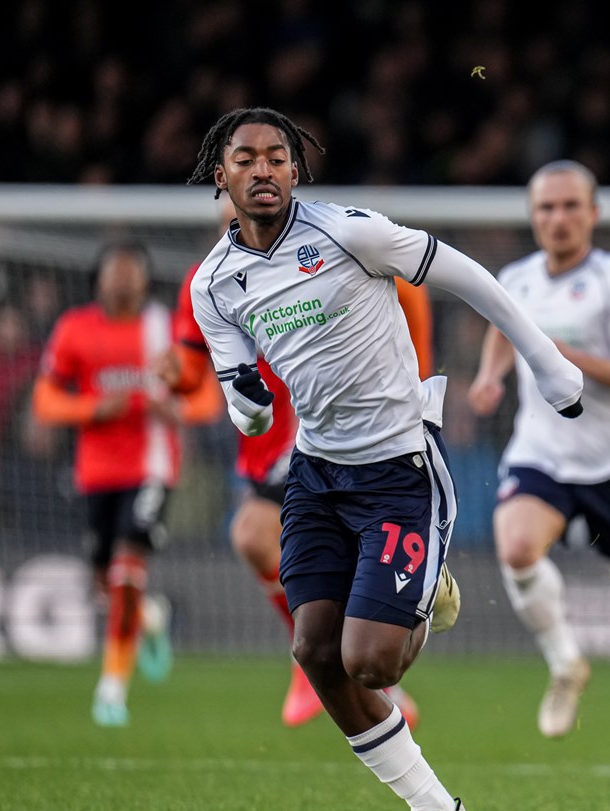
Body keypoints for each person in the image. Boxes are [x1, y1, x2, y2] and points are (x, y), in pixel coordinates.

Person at [185, 107, 584, 811]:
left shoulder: (350, 232)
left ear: (296, 170)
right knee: (314, 651)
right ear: (222, 175)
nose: (263, 169)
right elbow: (244, 402)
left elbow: (468, 277)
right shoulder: (213, 284)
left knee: (370, 662)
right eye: (246, 159)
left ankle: (426, 589)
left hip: (401, 467)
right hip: (314, 473)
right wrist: (247, 404)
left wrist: (547, 362)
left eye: (277, 157)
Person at [466, 160, 610, 776]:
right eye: (546, 208)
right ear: (532, 216)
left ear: (593, 214)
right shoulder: (517, 280)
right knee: (517, 548)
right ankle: (566, 662)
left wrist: (565, 358)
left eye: (571, 206)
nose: (559, 218)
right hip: (541, 458)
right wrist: (491, 376)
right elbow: (504, 328)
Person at [161, 196, 435, 729]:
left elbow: (411, 291)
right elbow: (192, 370)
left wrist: (417, 381)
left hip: (320, 429)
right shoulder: (206, 282)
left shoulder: (321, 254)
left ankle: (336, 657)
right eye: (230, 222)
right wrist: (174, 375)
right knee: (282, 547)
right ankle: (359, 663)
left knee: (254, 533)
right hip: (263, 443)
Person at [31, 240, 223, 727]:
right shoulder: (74, 329)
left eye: (130, 270)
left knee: (125, 572)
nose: (121, 279)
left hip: (152, 468)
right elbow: (45, 401)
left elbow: (208, 400)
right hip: (96, 474)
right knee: (106, 583)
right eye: (113, 271)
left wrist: (175, 409)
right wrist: (95, 408)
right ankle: (150, 618)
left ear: (144, 278)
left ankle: (111, 689)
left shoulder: (168, 330)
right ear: (97, 279)